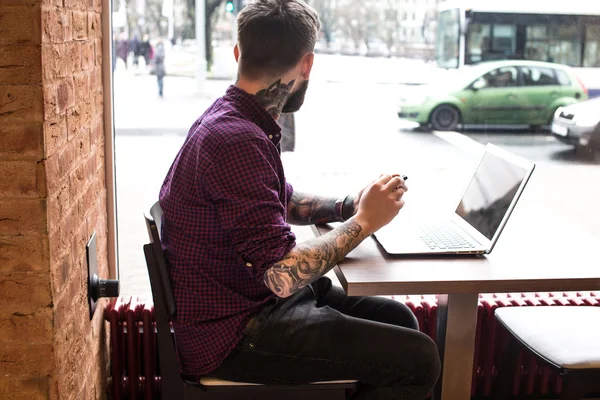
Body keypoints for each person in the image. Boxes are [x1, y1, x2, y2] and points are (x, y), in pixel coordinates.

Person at [158, 1, 440, 399]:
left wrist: (348, 205)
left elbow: (281, 199)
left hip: (247, 304)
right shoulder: (237, 139)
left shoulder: (234, 117)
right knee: (420, 359)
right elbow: (280, 275)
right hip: (235, 333)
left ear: (238, 53)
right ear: (306, 65)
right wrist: (364, 222)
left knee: (399, 319)